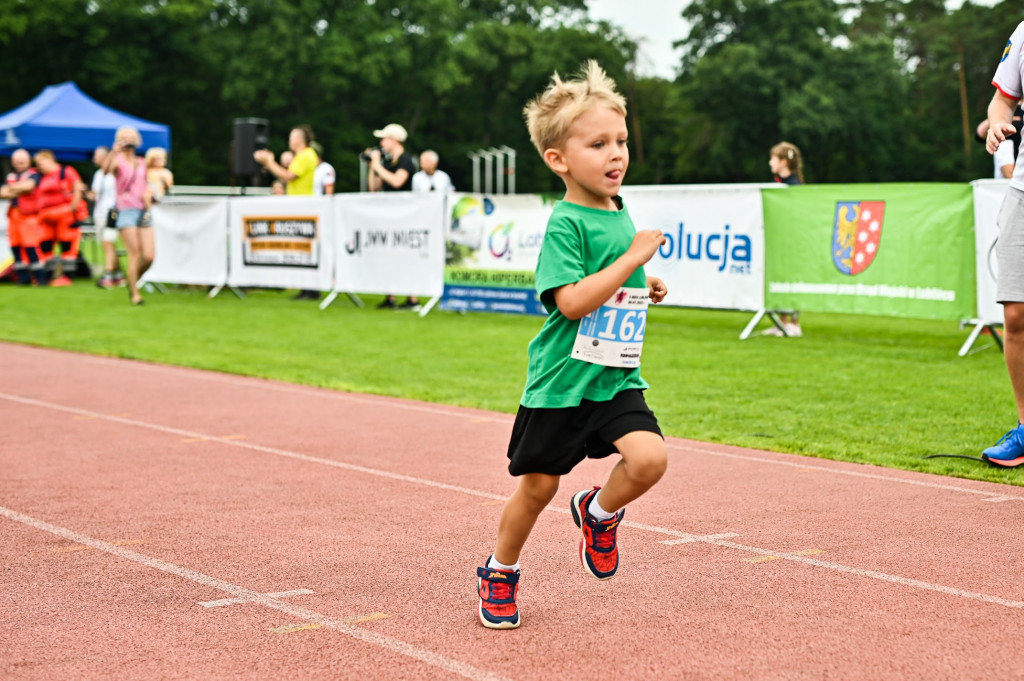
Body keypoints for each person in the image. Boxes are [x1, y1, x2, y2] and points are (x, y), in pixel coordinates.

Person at [475, 61, 669, 630]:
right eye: (598, 144)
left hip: (613, 377)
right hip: (562, 381)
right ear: (559, 159)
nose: (616, 155)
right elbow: (571, 302)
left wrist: (642, 282)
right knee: (538, 487)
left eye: (621, 142)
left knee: (650, 458)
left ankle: (600, 512)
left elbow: (608, 278)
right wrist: (634, 259)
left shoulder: (616, 206)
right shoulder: (565, 223)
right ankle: (500, 570)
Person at [983, 21, 1024, 468]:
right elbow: (1002, 100)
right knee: (1015, 313)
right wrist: (997, 127)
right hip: (1023, 192)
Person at [366, 122, 419, 309]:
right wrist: (373, 166)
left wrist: (377, 166)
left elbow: (397, 181)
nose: (381, 142)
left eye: (384, 138)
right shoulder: (387, 162)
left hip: (405, 216)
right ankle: (390, 296)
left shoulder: (406, 160)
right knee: (388, 255)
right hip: (389, 215)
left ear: (394, 140)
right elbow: (373, 187)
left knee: (405, 257)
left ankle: (412, 299)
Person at [103, 126, 154, 306]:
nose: (128, 141)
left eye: (131, 138)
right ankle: (135, 295)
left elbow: (148, 183)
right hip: (125, 210)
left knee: (149, 256)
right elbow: (106, 170)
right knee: (135, 253)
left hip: (144, 210)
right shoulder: (117, 160)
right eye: (124, 138)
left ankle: (131, 279)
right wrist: (113, 152)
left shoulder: (142, 162)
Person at [764, 141, 805, 337]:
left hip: (793, 243)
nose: (770, 162)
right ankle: (782, 323)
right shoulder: (776, 185)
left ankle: (794, 324)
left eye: (773, 158)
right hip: (778, 242)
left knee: (793, 280)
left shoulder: (795, 187)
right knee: (780, 279)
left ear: (782, 161)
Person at [33, 150, 87, 287]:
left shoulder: (66, 171)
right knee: (45, 245)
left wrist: (73, 208)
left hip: (65, 215)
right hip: (46, 217)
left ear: (50, 159)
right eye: (37, 164)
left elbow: (77, 187)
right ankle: (47, 276)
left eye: (41, 162)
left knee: (67, 245)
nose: (39, 166)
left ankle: (67, 276)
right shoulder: (40, 176)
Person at [1, 149, 46, 285]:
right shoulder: (11, 176)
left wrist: (12, 188)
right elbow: (3, 193)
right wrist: (18, 189)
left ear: (28, 162)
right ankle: (23, 278)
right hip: (13, 215)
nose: (20, 164)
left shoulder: (33, 174)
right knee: (15, 246)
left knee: (31, 246)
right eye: (18, 162)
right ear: (13, 162)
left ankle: (40, 277)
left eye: (23, 161)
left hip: (28, 216)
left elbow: (29, 186)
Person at [88, 146, 124, 289]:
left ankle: (109, 275)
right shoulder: (98, 174)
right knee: (107, 245)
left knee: (108, 243)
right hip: (100, 213)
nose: (94, 158)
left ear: (106, 157)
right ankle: (118, 276)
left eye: (96, 155)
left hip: (113, 213)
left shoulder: (116, 173)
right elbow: (94, 195)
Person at [253, 126, 317, 196]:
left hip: (302, 201)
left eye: (291, 137)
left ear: (298, 139)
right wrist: (270, 164)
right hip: (300, 200)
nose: (289, 140)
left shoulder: (305, 155)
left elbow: (287, 176)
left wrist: (269, 162)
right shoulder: (303, 155)